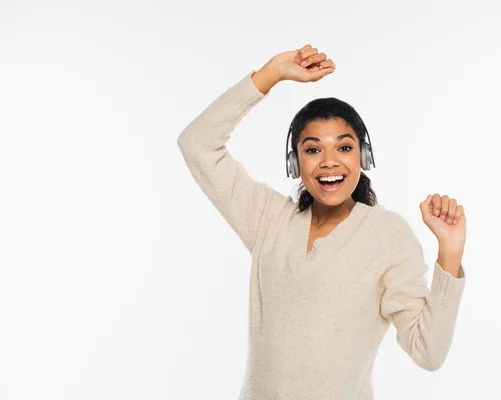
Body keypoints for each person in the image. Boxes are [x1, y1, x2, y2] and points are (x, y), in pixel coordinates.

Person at [177, 44, 467, 400]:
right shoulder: (269, 220)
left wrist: (450, 253)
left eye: (344, 148)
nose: (329, 162)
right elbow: (197, 145)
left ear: (363, 154)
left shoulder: (388, 236)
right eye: (313, 149)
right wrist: (271, 73)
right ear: (296, 161)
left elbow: (428, 351)